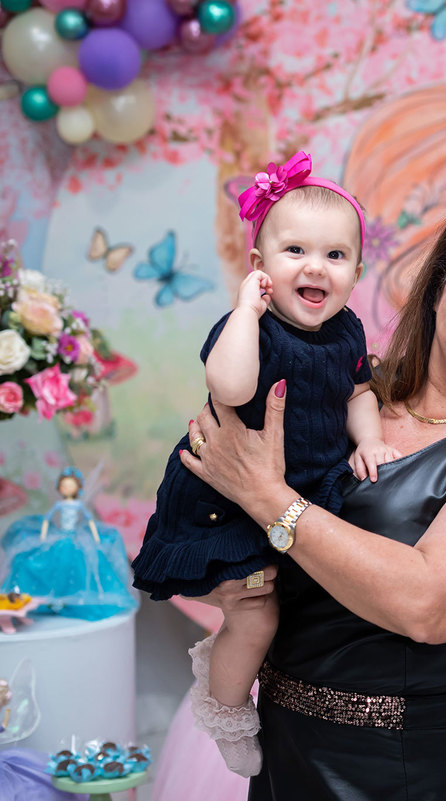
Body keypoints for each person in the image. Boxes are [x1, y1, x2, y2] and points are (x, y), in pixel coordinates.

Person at [178, 188, 446, 800]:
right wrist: (229, 576)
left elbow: (427, 605)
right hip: (288, 758)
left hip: (437, 774)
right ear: (439, 284)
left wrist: (265, 497)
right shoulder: (351, 401)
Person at [131, 151, 399, 777]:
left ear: (357, 272)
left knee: (318, 597)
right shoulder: (250, 328)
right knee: (256, 615)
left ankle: (266, 684)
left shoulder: (348, 331)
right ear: (260, 267)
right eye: (295, 251)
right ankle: (225, 709)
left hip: (306, 485)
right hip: (226, 498)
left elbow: (359, 392)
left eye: (335, 255)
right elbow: (229, 387)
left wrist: (368, 439)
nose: (315, 266)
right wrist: (247, 314)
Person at [1, 467, 136, 621]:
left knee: (80, 565)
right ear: (59, 488)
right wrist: (44, 535)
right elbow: (47, 519)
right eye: (64, 486)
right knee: (48, 562)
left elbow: (90, 521)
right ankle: (49, 599)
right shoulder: (59, 505)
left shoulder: (78, 505)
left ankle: (70, 600)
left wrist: (95, 536)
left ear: (78, 488)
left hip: (75, 535)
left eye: (70, 486)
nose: (67, 489)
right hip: (60, 534)